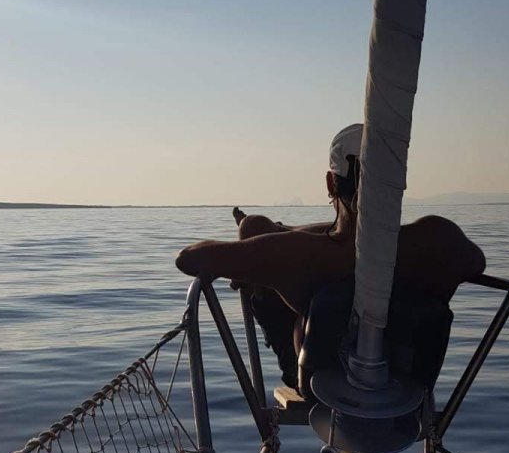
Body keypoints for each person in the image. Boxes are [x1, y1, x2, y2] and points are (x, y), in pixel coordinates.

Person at [175, 123, 486, 388]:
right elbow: (476, 262)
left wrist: (253, 261)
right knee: (260, 230)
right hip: (408, 387)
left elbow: (188, 259)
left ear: (329, 182)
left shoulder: (294, 254)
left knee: (253, 226)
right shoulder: (439, 239)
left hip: (321, 387)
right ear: (398, 182)